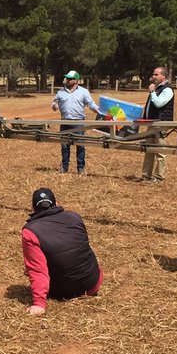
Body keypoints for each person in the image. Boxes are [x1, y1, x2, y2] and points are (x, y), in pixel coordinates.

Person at [21, 188, 103, 316]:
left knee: (33, 265)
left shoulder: (30, 232)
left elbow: (37, 270)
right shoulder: (75, 217)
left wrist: (39, 303)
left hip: (64, 292)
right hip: (93, 284)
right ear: (56, 203)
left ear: (33, 208)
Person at [51, 70, 102, 175]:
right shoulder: (61, 91)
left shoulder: (83, 92)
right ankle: (64, 167)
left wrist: (97, 109)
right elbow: (55, 102)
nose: (67, 80)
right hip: (64, 122)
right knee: (64, 145)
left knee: (80, 145)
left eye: (70, 79)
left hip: (78, 122)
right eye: (67, 78)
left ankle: (81, 168)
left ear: (76, 80)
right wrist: (54, 105)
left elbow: (90, 103)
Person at [140, 66, 175, 182]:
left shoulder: (167, 89)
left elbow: (159, 103)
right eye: (153, 74)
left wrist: (152, 92)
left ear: (163, 76)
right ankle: (146, 176)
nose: (153, 76)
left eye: (156, 74)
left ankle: (159, 177)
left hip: (161, 124)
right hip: (152, 123)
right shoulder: (157, 88)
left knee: (160, 151)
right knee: (148, 149)